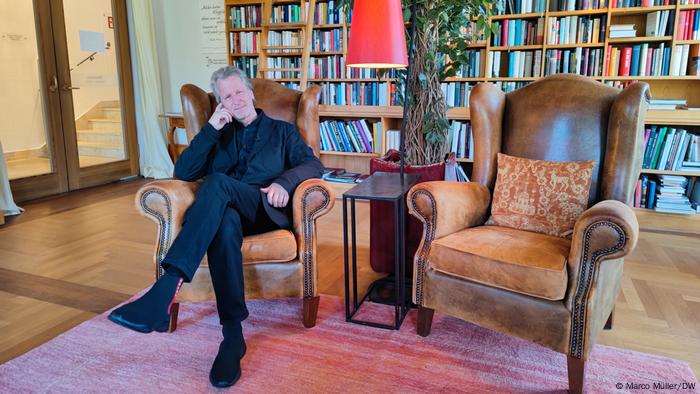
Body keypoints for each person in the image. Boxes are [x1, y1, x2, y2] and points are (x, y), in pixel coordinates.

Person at [108, 66, 324, 387]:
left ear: (251, 94)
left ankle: (169, 284)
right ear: (221, 103)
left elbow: (313, 164)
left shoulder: (282, 131)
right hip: (226, 215)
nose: (236, 100)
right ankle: (233, 337)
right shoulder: (218, 133)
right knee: (223, 222)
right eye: (227, 97)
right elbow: (183, 171)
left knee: (219, 183)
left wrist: (283, 181)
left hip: (263, 208)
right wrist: (210, 128)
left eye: (239, 92)